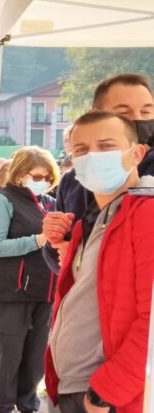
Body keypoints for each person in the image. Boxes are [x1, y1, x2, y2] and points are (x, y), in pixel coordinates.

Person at [27, 74, 153, 413]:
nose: (92, 156)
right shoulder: (99, 214)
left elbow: (148, 317)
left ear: (137, 152)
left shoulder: (144, 215)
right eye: (81, 149)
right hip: (78, 388)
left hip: (105, 400)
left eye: (107, 146)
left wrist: (106, 393)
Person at [42, 73, 154, 272]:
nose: (137, 119)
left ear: (137, 155)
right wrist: (55, 241)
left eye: (146, 111)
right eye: (124, 112)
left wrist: (86, 259)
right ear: (95, 115)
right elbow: (59, 261)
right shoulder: (72, 181)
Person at [0, 147, 59, 413]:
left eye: (47, 177)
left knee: (36, 356)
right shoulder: (3, 199)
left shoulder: (50, 202)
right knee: (11, 353)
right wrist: (38, 240)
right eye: (36, 175)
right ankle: (4, 412)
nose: (42, 180)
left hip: (46, 291)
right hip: (13, 291)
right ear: (20, 172)